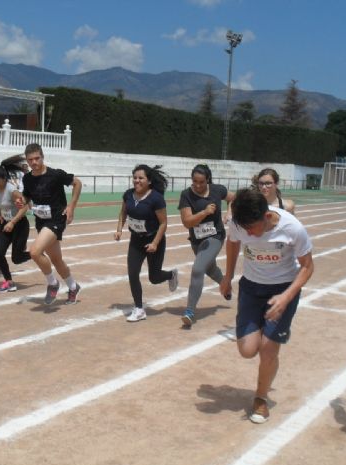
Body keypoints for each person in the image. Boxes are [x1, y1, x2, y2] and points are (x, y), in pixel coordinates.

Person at [220, 188, 313, 424]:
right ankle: (267, 332)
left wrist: (286, 297)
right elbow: (232, 244)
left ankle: (261, 398)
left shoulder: (292, 229)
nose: (249, 233)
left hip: (282, 291)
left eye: (253, 228)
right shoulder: (240, 223)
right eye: (245, 229)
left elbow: (307, 267)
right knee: (247, 350)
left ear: (267, 216)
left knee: (268, 349)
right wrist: (228, 275)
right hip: (251, 289)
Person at [114, 164, 178, 322]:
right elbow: (123, 213)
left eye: (140, 178)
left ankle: (171, 274)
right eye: (135, 177)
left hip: (153, 240)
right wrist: (119, 230)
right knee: (132, 273)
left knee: (154, 278)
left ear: (149, 181)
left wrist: (155, 243)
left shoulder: (156, 198)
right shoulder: (128, 195)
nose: (137, 180)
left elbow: (163, 223)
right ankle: (139, 308)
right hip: (136, 240)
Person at [21, 143, 82, 305]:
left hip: (56, 219)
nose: (34, 162)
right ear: (27, 161)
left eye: (37, 158)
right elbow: (27, 196)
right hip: (41, 221)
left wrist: (71, 206)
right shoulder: (27, 178)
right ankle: (73, 286)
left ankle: (52, 283)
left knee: (34, 252)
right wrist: (23, 201)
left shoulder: (55, 175)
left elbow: (77, 183)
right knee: (56, 260)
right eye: (30, 160)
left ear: (42, 157)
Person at [178, 164, 235, 326]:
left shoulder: (217, 190)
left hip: (215, 237)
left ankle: (189, 311)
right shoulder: (186, 195)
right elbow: (187, 222)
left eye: (201, 182)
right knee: (210, 269)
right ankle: (226, 285)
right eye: (194, 181)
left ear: (208, 180)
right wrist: (204, 212)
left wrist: (229, 212)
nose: (197, 185)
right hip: (197, 240)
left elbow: (233, 198)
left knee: (198, 269)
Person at [0, 159, 32, 293]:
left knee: (17, 258)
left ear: (4, 178)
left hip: (19, 225)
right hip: (5, 225)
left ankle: (36, 253)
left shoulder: (12, 191)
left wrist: (13, 222)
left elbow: (25, 207)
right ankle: (9, 282)